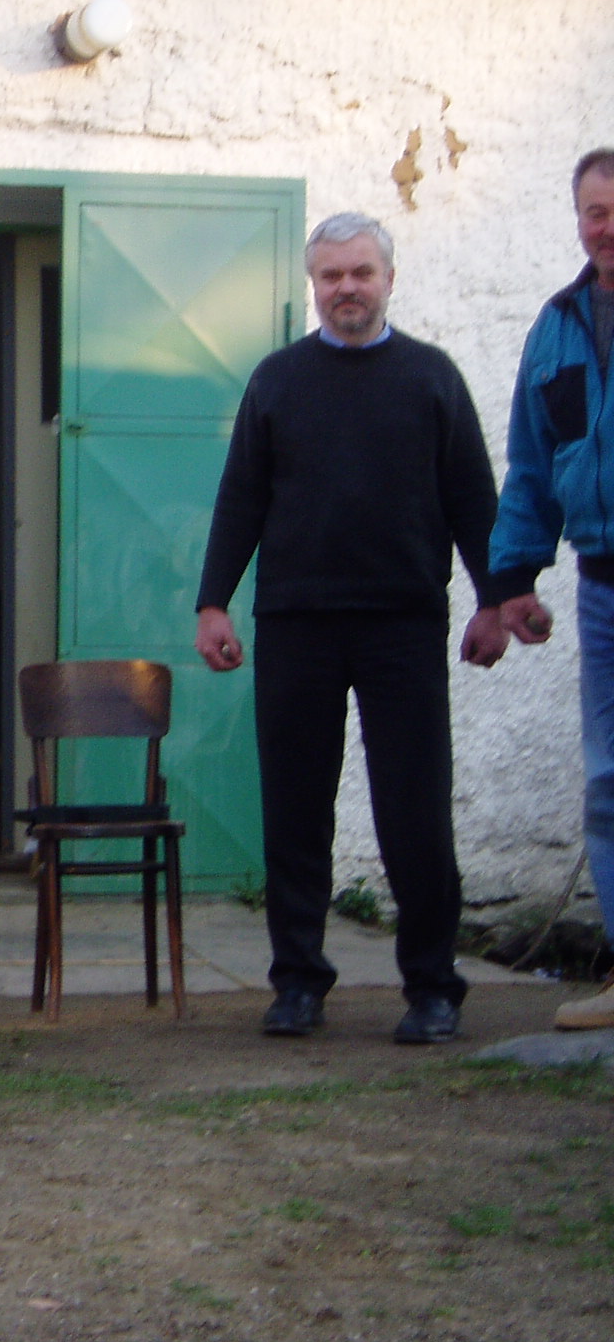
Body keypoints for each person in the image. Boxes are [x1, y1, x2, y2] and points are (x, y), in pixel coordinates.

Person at [194, 212, 507, 1045]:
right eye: (331, 276)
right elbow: (241, 497)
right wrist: (213, 602)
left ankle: (433, 989)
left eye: (361, 273)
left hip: (403, 624)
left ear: (389, 279)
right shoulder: (277, 380)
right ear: (314, 285)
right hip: (296, 622)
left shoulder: (432, 378)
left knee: (416, 813)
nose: (347, 289)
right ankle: (297, 984)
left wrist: (495, 599)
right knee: (295, 813)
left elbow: (473, 498)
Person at [488, 148, 614, 1032]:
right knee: (608, 784)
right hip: (601, 587)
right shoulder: (557, 327)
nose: (607, 227)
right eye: (595, 212)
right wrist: (512, 582)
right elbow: (532, 466)